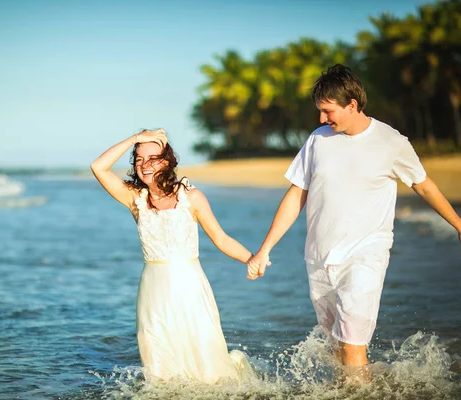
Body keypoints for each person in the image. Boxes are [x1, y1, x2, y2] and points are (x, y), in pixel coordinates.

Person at [246, 64, 461, 381]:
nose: (322, 119)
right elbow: (295, 196)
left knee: (351, 343)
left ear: (352, 105)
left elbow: (423, 184)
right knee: (337, 347)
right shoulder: (319, 140)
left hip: (365, 254)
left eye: (327, 111)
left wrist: (457, 224)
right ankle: (371, 386)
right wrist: (264, 250)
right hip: (319, 258)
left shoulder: (391, 142)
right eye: (319, 111)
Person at [90, 128, 255, 384]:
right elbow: (98, 167)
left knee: (206, 365)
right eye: (139, 159)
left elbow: (220, 238)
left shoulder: (191, 197)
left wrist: (251, 258)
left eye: (153, 158)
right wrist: (136, 138)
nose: (145, 165)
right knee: (159, 370)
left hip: (189, 286)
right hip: (152, 291)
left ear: (166, 161)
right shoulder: (136, 199)